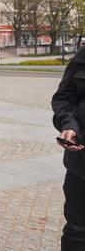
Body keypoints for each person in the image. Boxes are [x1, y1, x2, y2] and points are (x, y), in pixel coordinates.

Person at [51, 47, 85, 250]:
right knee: (77, 235)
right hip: (81, 167)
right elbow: (64, 98)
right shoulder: (83, 56)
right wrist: (69, 125)